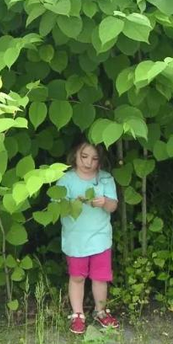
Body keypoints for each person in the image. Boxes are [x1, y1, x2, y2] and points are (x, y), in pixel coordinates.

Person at [55, 138, 120, 334]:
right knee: (77, 277)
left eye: (94, 158)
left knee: (100, 278)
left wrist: (104, 202)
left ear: (100, 161)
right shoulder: (65, 180)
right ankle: (77, 314)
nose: (88, 162)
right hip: (75, 240)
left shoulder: (105, 179)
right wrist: (70, 203)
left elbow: (113, 206)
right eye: (83, 156)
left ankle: (100, 311)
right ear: (75, 155)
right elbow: (57, 207)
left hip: (100, 238)